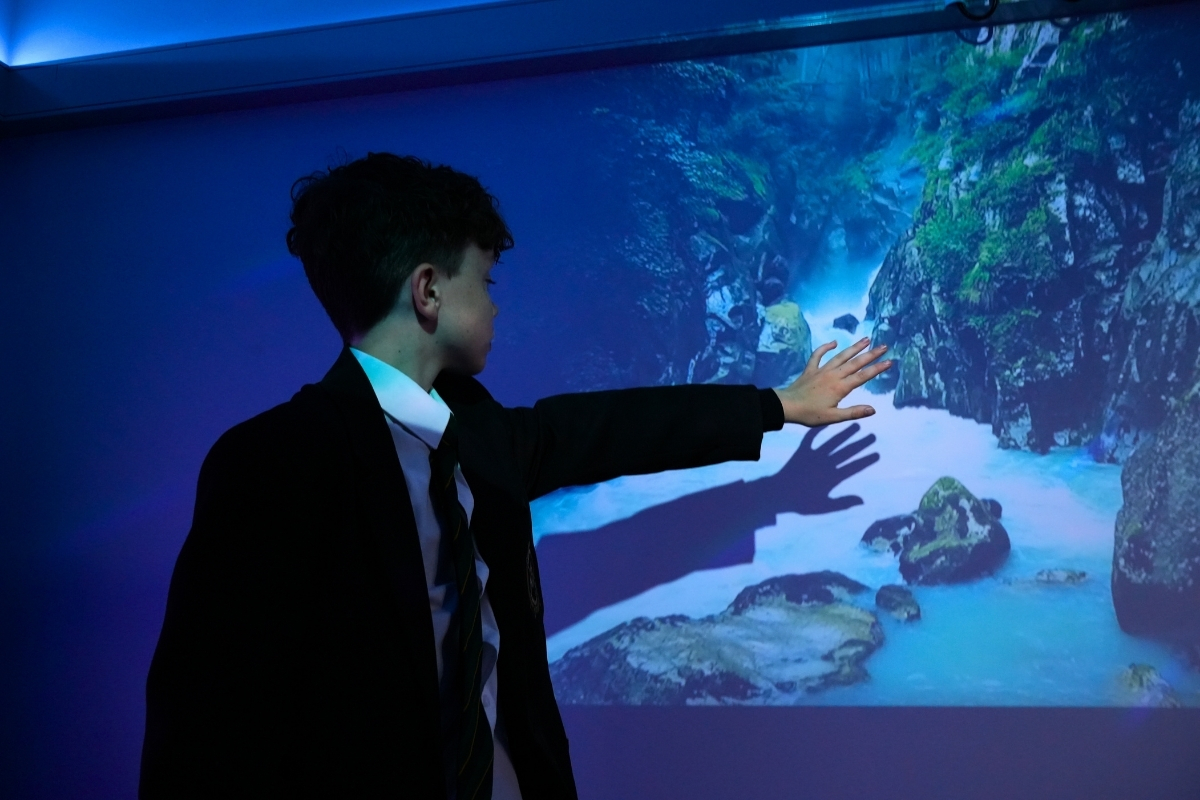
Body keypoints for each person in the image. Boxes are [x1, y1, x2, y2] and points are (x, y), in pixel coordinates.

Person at [139, 153, 892, 800]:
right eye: (486, 280)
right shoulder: (274, 462)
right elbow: (202, 722)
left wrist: (776, 405)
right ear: (429, 291)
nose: (497, 306)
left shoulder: (477, 434)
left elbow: (611, 429)